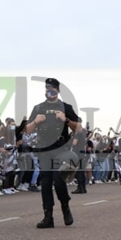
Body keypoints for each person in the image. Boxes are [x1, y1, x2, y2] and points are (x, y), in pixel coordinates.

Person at [25, 78, 81, 228]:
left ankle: (65, 208)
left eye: (52, 88)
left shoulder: (65, 107)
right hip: (44, 150)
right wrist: (35, 122)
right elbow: (27, 130)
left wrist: (66, 120)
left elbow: (79, 129)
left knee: (59, 181)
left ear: (57, 90)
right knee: (45, 183)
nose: (49, 90)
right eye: (47, 88)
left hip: (60, 150)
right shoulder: (38, 108)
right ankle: (47, 216)